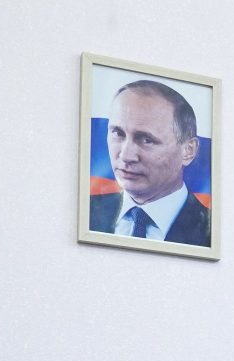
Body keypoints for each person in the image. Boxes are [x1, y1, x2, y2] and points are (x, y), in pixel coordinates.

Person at [89, 80, 211, 246]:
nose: (126, 156)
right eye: (118, 133)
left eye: (146, 140)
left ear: (188, 150)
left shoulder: (212, 233)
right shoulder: (86, 212)